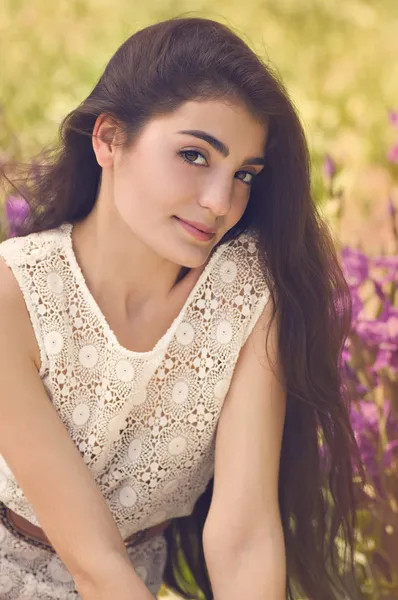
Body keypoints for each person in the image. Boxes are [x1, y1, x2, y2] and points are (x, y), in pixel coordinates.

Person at [0, 15, 363, 600]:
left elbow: (243, 537)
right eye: (195, 156)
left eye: (244, 173)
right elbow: (95, 563)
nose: (221, 202)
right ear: (109, 139)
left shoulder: (246, 296)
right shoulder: (13, 296)